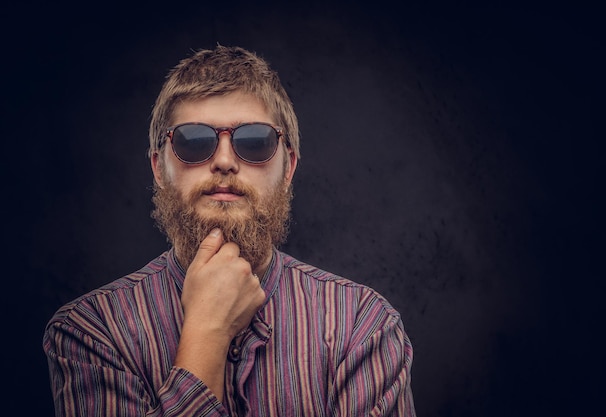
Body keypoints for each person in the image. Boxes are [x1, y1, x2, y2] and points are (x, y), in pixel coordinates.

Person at [43, 45, 416, 416]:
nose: (224, 161)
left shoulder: (362, 326)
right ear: (159, 169)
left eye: (254, 141)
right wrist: (208, 331)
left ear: (288, 169)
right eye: (193, 141)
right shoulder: (91, 332)